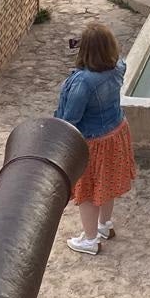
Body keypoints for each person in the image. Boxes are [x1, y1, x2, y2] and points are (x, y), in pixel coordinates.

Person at [54, 22, 136, 256]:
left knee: (88, 192)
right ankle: (104, 226)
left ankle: (90, 240)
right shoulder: (119, 66)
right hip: (116, 133)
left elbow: (71, 118)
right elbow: (106, 55)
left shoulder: (83, 82)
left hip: (94, 142)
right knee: (106, 184)